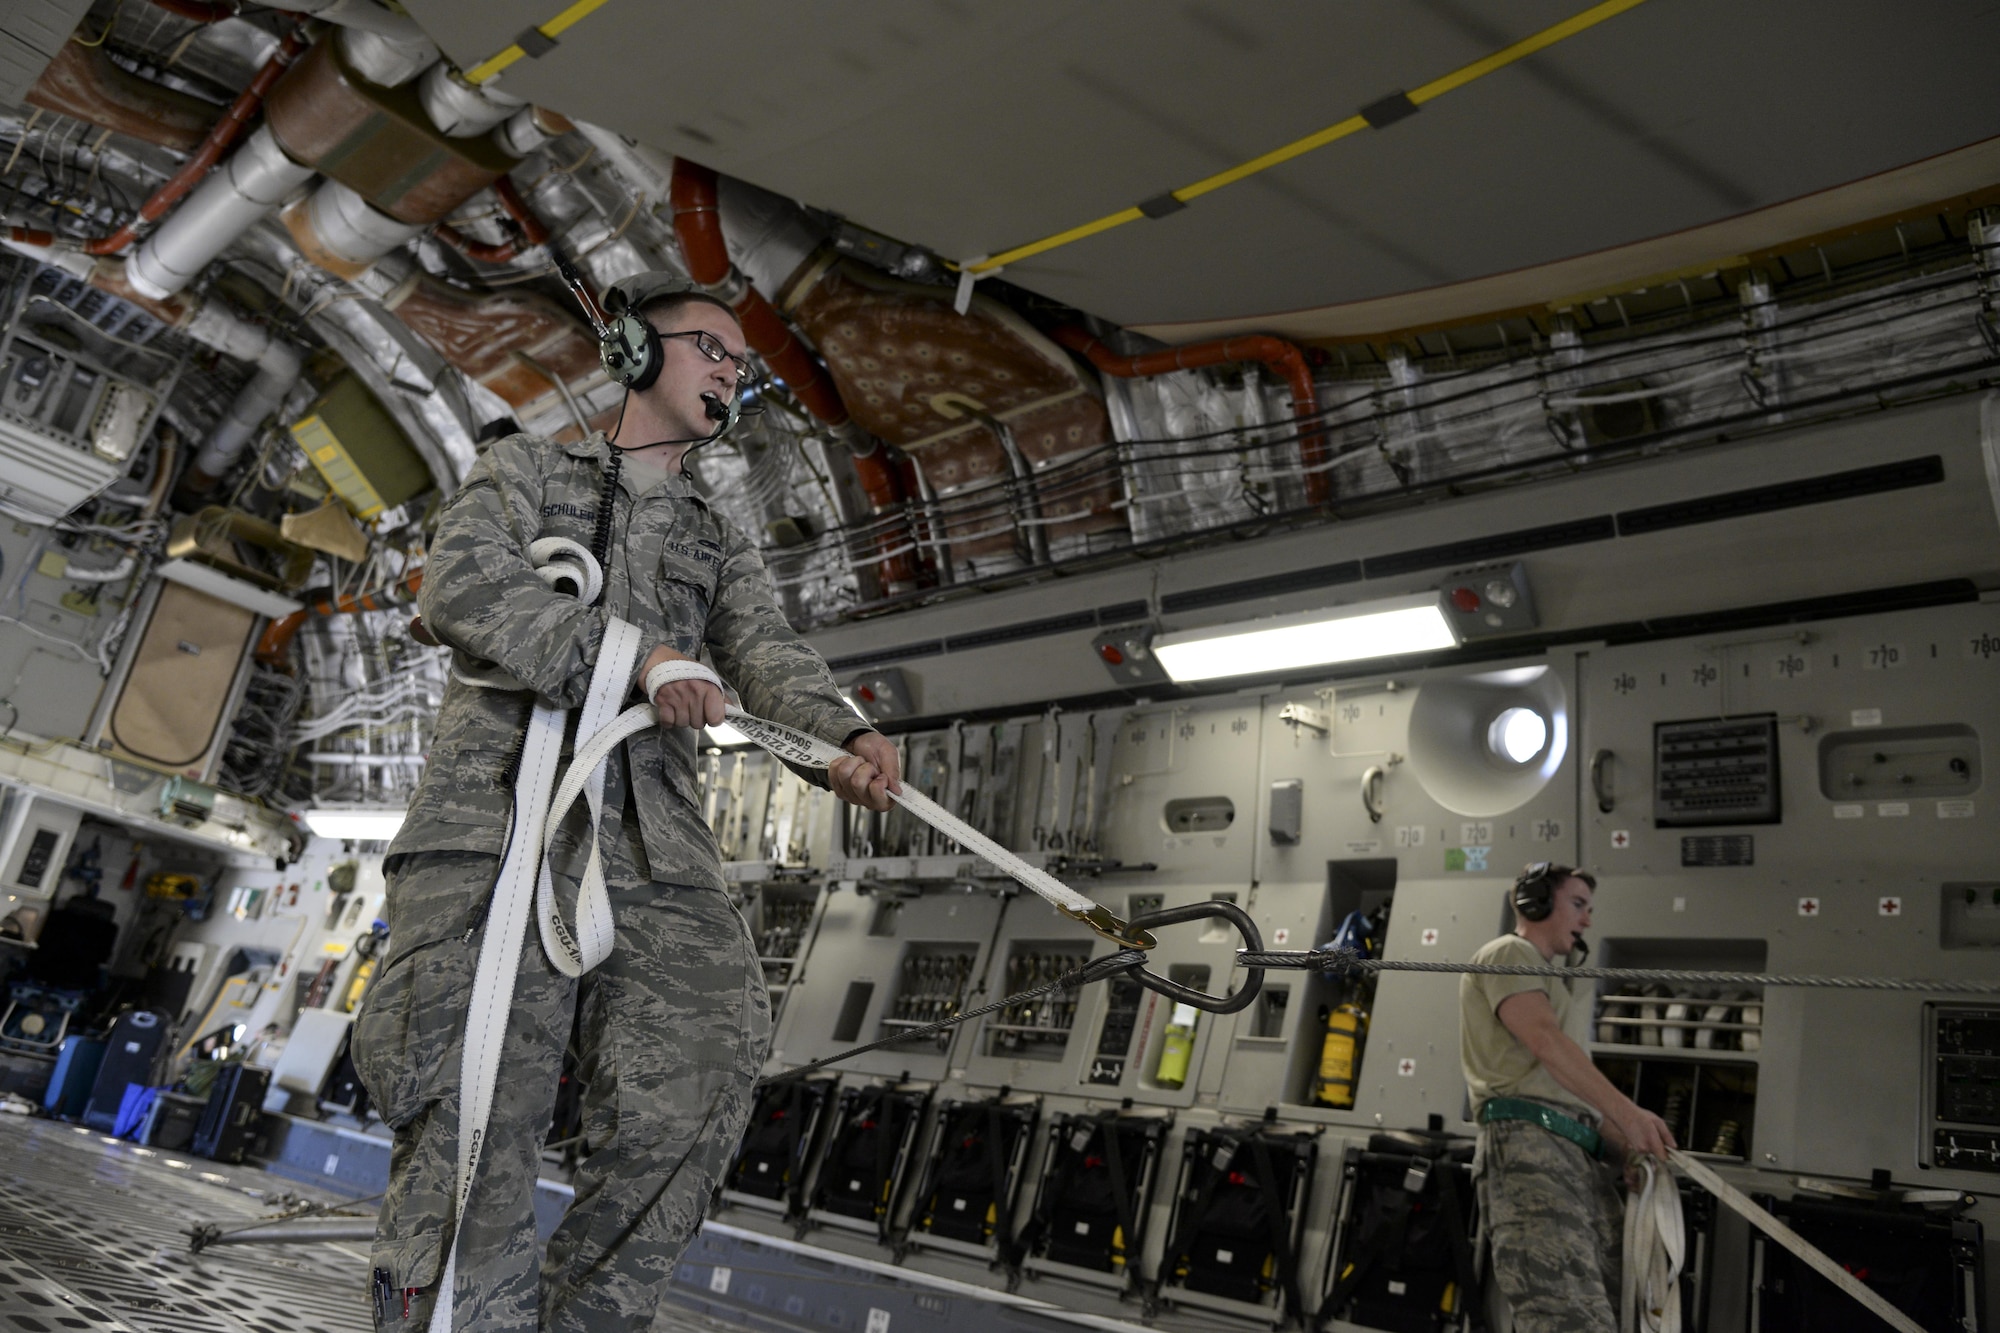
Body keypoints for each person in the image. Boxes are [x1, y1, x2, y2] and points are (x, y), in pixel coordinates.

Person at [353, 271, 902, 1331]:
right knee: (474, 1111)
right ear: (636, 352)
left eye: (742, 364)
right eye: (711, 349)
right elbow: (462, 585)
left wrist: (839, 736)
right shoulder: (523, 470)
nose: (731, 374)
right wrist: (636, 657)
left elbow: (766, 652)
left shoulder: (717, 538)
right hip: (497, 828)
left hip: (652, 845)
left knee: (703, 1067)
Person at [1459, 863, 1675, 1333]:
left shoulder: (1553, 984)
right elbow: (1545, 1042)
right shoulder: (1508, 953)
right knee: (1566, 1317)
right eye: (1578, 904)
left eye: (1589, 908)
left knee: (1615, 1312)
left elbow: (1574, 1098)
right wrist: (1630, 1114)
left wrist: (1629, 1149)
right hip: (1530, 1149)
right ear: (1535, 903)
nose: (1587, 920)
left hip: (1577, 1157)